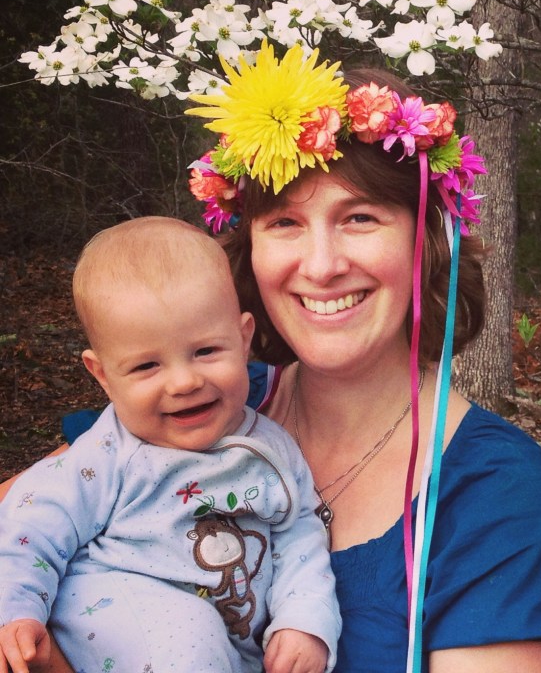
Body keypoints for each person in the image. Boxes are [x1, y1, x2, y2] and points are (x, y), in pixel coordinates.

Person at [4, 42, 541, 672]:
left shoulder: (496, 496)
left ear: (426, 242)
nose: (321, 266)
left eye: (360, 218)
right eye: (285, 223)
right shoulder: (204, 398)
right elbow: (31, 521)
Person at [0, 217, 340, 673]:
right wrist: (16, 611)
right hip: (122, 615)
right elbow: (31, 526)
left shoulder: (272, 449)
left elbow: (301, 535)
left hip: (227, 648)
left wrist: (305, 622)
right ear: (103, 375)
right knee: (189, 633)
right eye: (146, 367)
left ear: (243, 340)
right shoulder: (107, 454)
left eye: (205, 351)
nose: (184, 382)